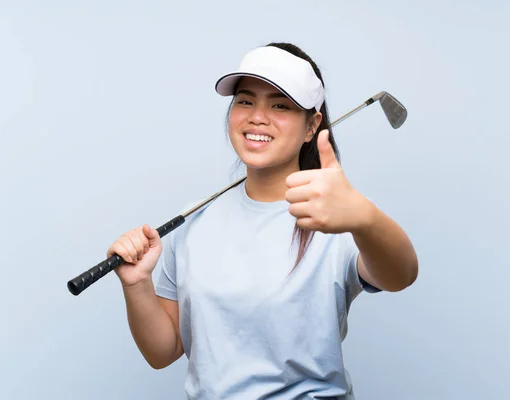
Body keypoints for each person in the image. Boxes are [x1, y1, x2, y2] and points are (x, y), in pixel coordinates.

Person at [107, 42, 419, 399]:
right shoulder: (192, 221)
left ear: (311, 126)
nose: (258, 116)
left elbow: (401, 276)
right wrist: (137, 284)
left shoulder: (336, 215)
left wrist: (364, 216)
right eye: (245, 100)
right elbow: (163, 352)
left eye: (280, 105)